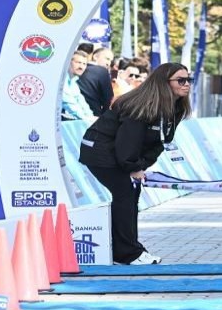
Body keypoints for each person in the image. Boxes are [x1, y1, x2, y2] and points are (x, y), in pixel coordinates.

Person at [79, 62, 192, 265]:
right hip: (100, 151)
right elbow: (127, 143)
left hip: (119, 154)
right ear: (164, 82)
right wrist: (132, 167)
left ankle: (127, 249)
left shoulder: (174, 107)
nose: (186, 84)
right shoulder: (143, 105)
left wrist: (141, 165)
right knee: (125, 193)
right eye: (181, 80)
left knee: (131, 194)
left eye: (188, 80)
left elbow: (160, 142)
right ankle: (127, 253)